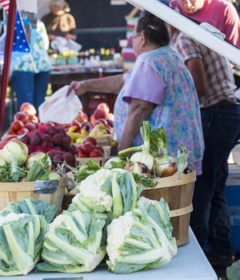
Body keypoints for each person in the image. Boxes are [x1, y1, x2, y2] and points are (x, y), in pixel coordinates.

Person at [68, 12, 204, 173]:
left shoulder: (150, 62)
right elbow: (124, 81)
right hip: (180, 155)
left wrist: (121, 153)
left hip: (161, 162)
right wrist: (86, 85)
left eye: (132, 38)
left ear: (142, 38)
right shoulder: (168, 55)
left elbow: (139, 109)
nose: (132, 43)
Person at [170, 26, 239, 268]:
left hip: (216, 112)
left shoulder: (184, 39)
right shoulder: (196, 32)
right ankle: (221, 249)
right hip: (229, 110)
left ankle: (198, 252)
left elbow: (198, 87)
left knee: (204, 184)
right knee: (216, 181)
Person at [11, 16, 51, 111]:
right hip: (41, 63)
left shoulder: (14, 23)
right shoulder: (39, 23)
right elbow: (45, 44)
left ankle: (31, 124)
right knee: (39, 101)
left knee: (26, 103)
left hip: (23, 64)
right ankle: (39, 124)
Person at [170, 0, 240, 48]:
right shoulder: (171, 7)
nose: (188, 5)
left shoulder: (225, 10)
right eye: (183, 0)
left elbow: (234, 51)